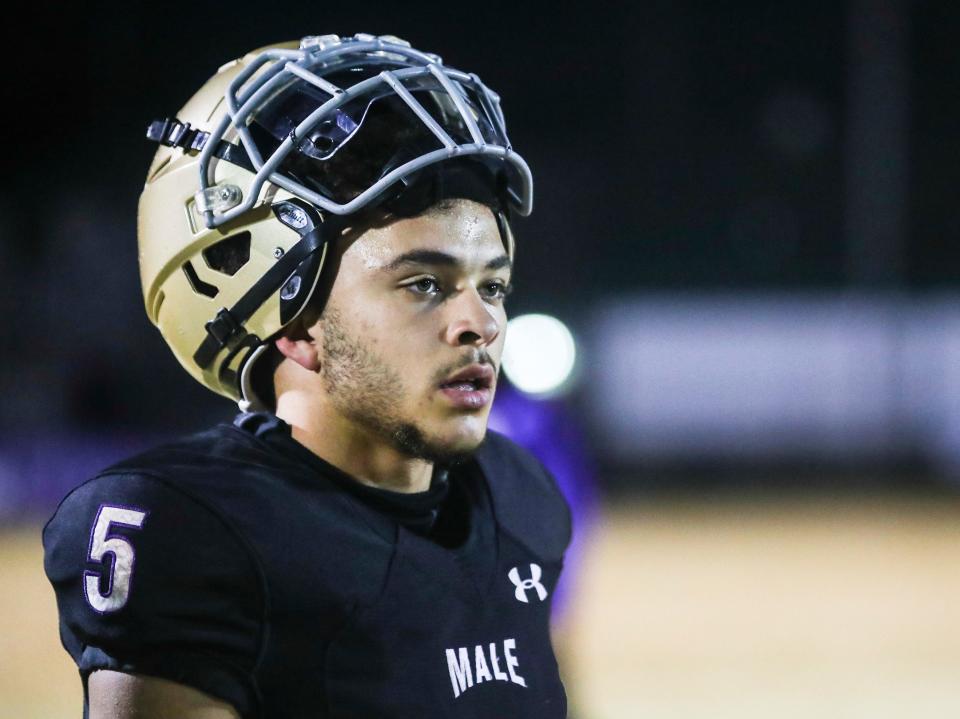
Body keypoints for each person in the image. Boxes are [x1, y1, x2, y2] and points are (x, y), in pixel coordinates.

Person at [42, 33, 571, 718]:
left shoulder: (519, 496)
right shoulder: (196, 532)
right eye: (424, 284)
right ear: (290, 323)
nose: (481, 323)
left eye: (492, 286)